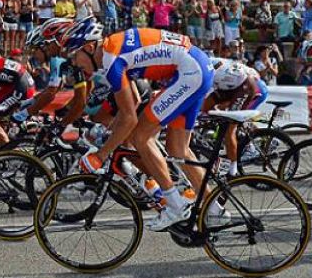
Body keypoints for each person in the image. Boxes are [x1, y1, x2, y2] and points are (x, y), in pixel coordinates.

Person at [69, 22, 220, 231]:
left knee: (141, 137)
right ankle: (215, 209)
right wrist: (112, 132)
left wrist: (101, 155)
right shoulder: (115, 49)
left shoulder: (111, 58)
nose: (75, 64)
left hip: (189, 73)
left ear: (89, 47)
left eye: (74, 55)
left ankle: (175, 205)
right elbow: (135, 101)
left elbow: (130, 119)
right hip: (197, 67)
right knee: (179, 149)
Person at [203, 57, 269, 176]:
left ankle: (233, 169)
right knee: (205, 108)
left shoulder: (199, 66)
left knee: (229, 129)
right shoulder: (206, 60)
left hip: (249, 87)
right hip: (231, 85)